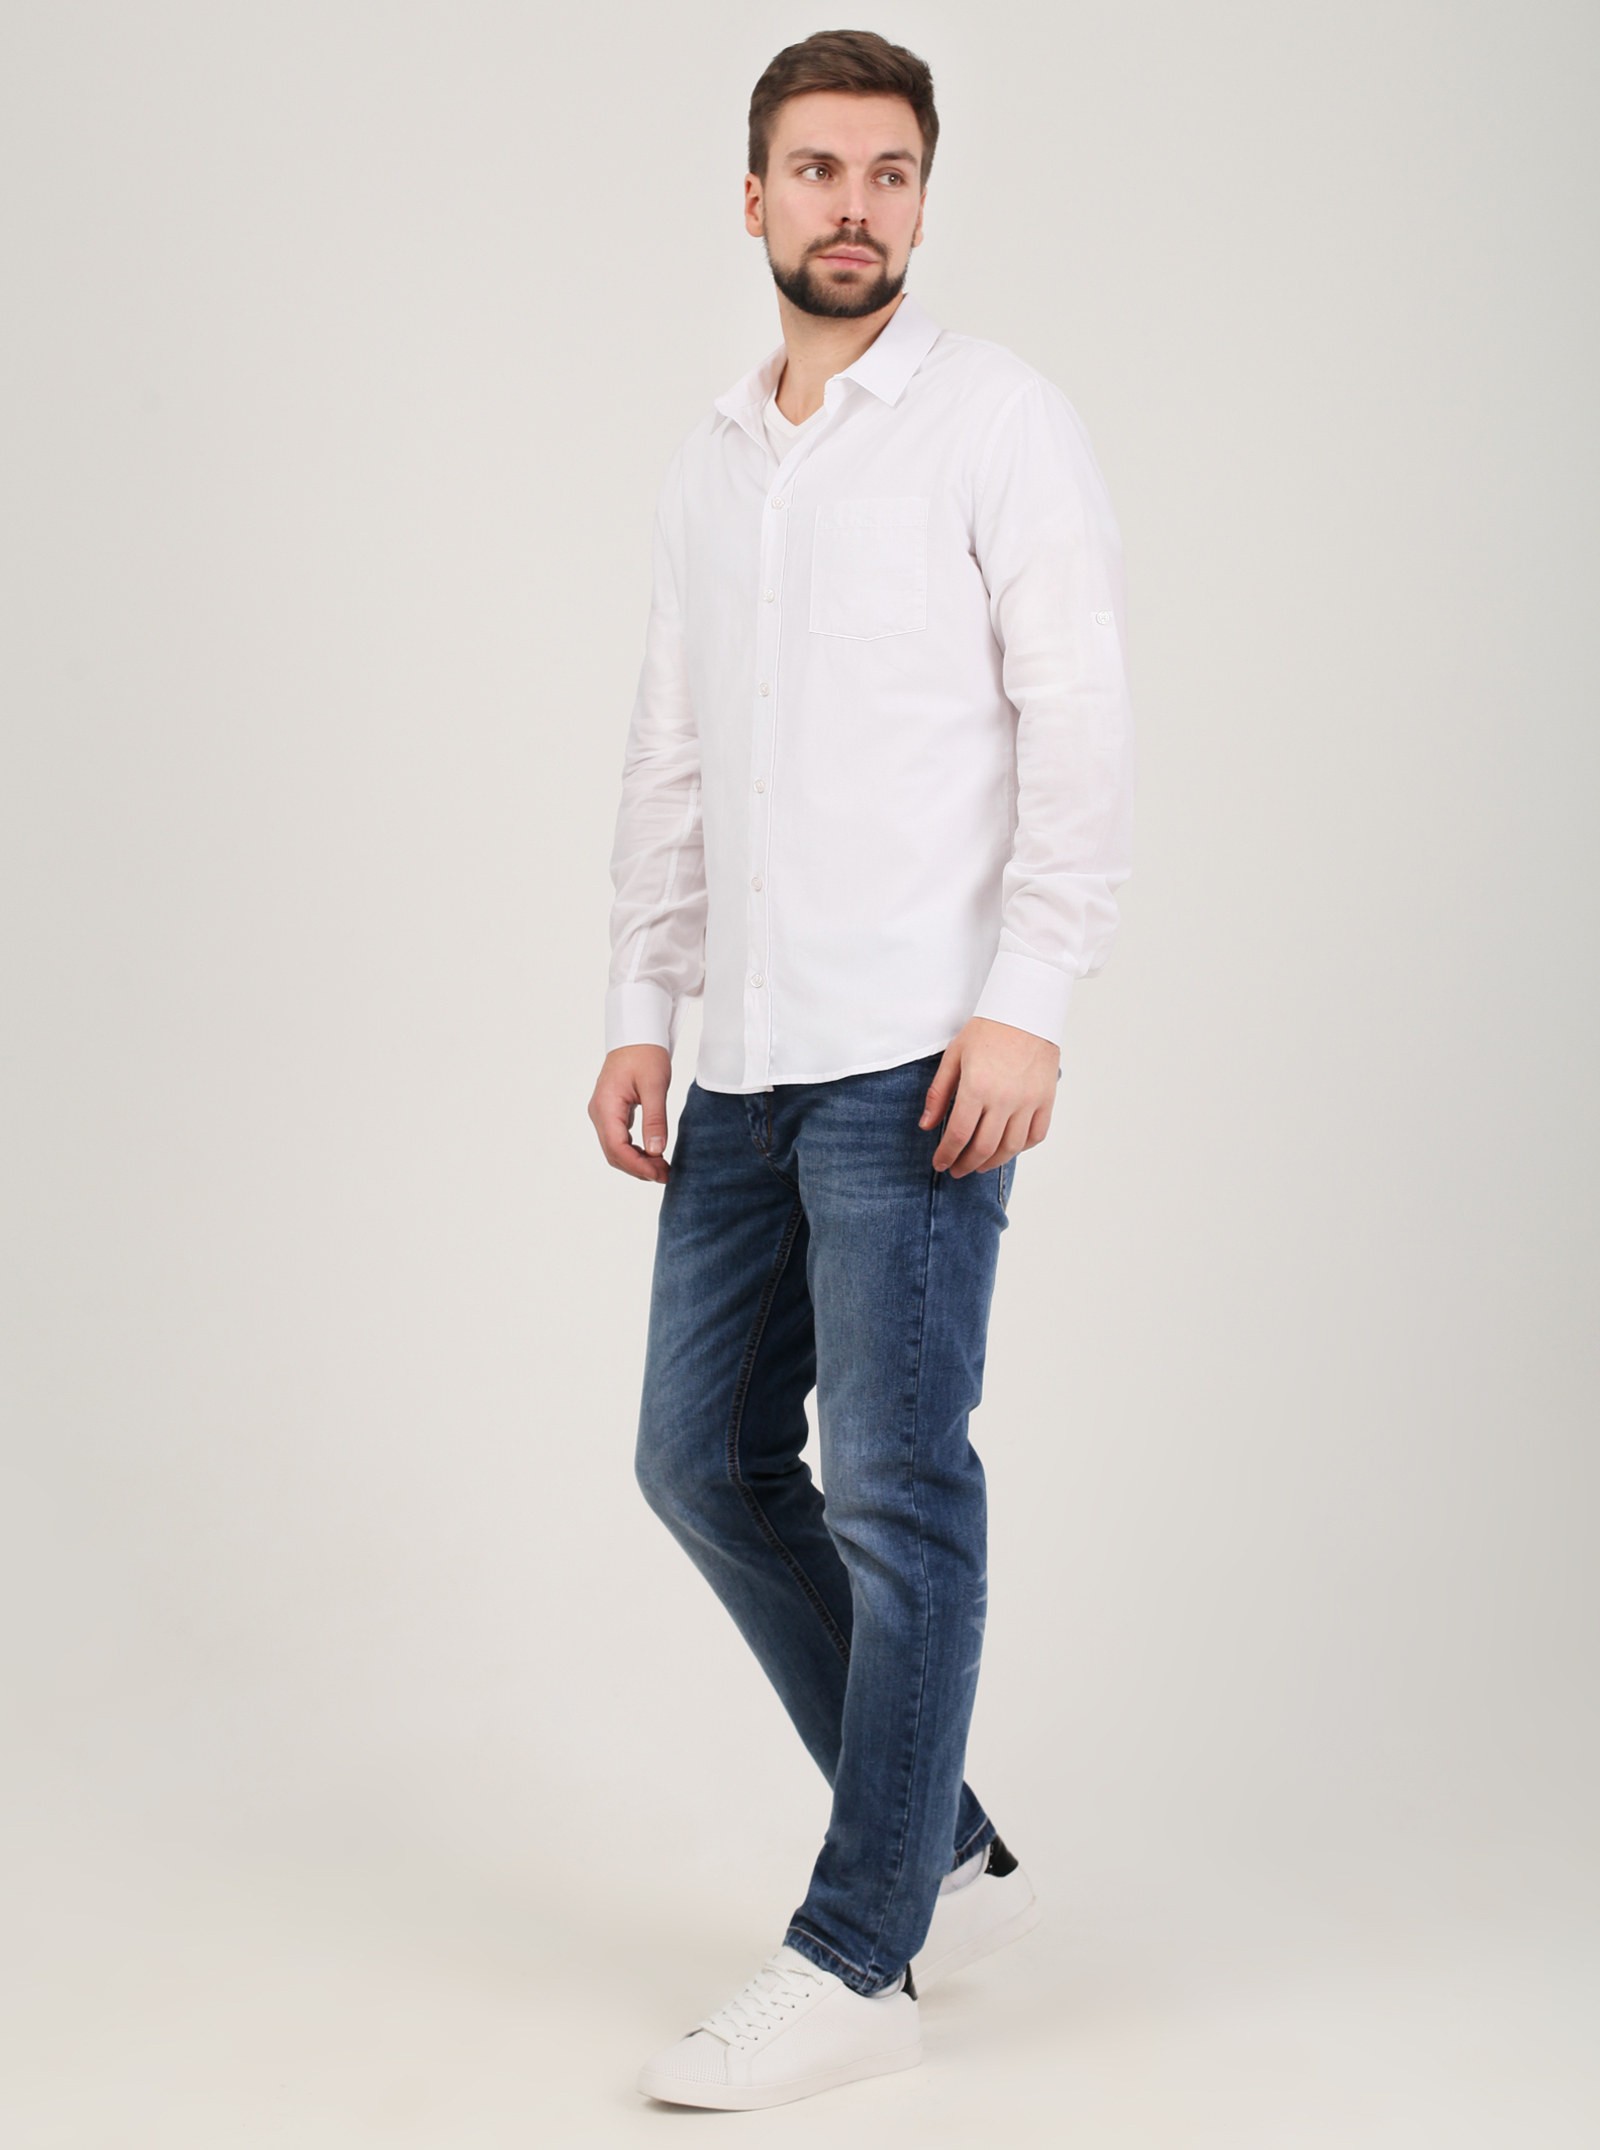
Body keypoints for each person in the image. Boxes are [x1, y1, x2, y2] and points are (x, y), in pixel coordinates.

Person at [586, 28, 1135, 2112]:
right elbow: (671, 749)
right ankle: (946, 1852)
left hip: (920, 1057)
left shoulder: (996, 422)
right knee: (698, 1460)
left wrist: (1031, 995)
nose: (853, 205)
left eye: (888, 171)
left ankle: (858, 1949)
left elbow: (1079, 717)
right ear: (753, 198)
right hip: (745, 1057)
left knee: (901, 1492)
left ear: (920, 198)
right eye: (816, 169)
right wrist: (642, 1002)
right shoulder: (712, 461)